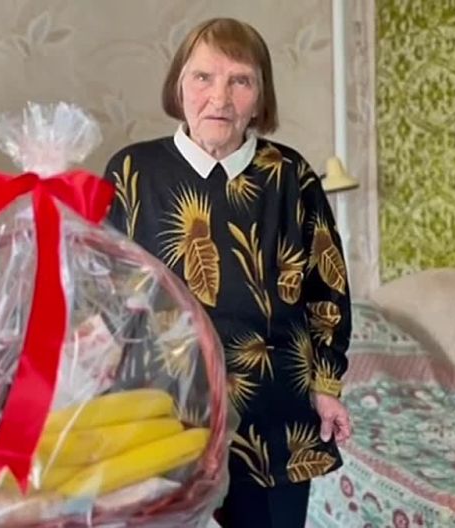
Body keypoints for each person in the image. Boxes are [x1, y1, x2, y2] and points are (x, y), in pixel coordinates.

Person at [102, 17, 352, 527]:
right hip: (163, 416)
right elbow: (105, 291)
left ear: (260, 99)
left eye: (241, 80)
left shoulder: (291, 174)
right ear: (179, 86)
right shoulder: (131, 172)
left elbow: (328, 287)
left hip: (274, 417)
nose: (220, 97)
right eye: (203, 77)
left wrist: (327, 384)